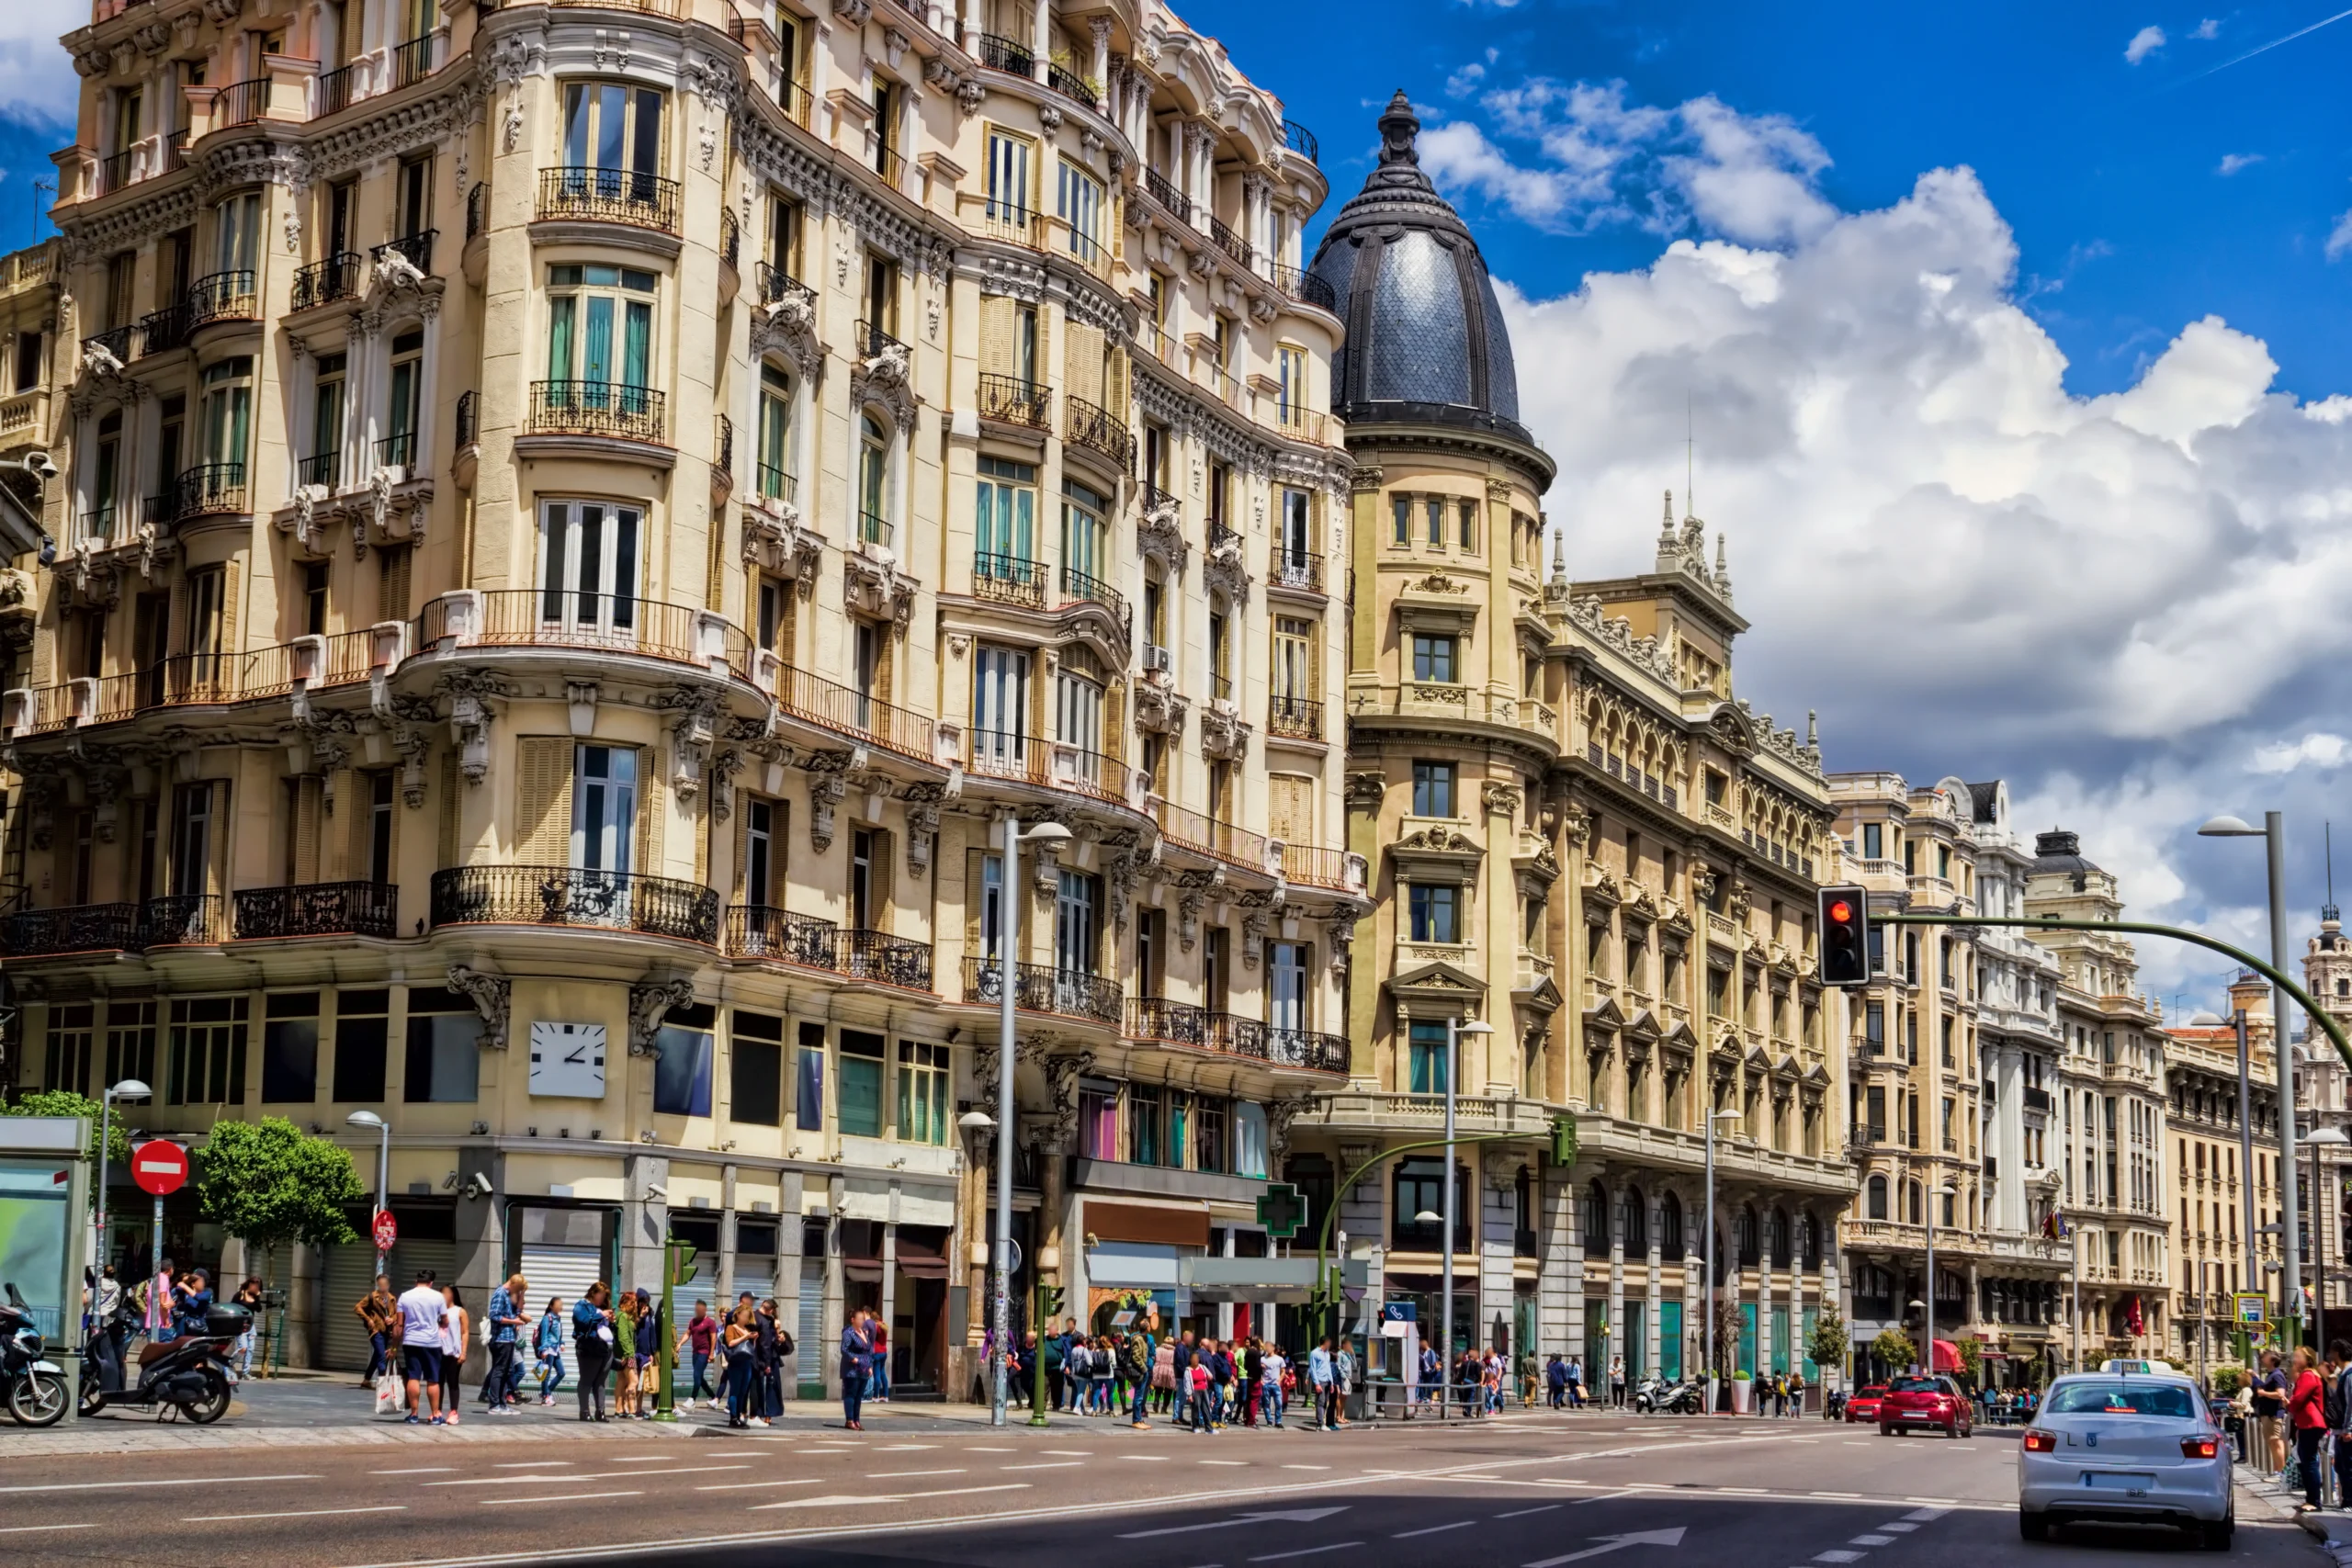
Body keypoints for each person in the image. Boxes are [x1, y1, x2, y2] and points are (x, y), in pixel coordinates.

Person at [395, 1268, 447, 1426]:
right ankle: (435, 1415)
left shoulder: (405, 1296)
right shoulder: (438, 1297)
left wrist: (393, 1346)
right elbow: (445, 1320)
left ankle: (414, 1414)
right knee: (433, 1380)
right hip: (431, 1342)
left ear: (416, 1281)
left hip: (411, 1341)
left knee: (413, 1377)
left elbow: (399, 1324)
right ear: (431, 1283)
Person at [2290, 1345, 2328, 1512]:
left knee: (2309, 1461)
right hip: (2308, 1422)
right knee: (2307, 1460)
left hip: (2311, 1422)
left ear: (2308, 1359)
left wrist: (2289, 1405)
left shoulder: (2308, 1375)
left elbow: (2298, 1399)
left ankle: (2314, 1501)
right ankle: (2311, 1499)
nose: (2295, 1360)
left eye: (2298, 1357)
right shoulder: (2311, 1375)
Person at [484, 1273, 526, 1412]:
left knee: (507, 1371)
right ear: (513, 1284)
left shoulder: (508, 1295)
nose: (517, 1292)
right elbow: (494, 1315)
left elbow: (518, 1311)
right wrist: (513, 1322)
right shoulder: (500, 1293)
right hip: (501, 1338)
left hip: (509, 1338)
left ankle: (502, 1404)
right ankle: (494, 1404)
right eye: (518, 1289)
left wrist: (522, 1294)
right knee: (499, 1371)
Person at [573, 1281, 615, 1422]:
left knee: (601, 1381)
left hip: (606, 1348)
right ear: (594, 1293)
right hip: (590, 1347)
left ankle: (600, 1411)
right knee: (587, 1380)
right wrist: (601, 1315)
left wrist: (611, 1321)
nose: (603, 1299)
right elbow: (584, 1322)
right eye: (602, 1295)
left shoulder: (600, 1308)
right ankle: (584, 1411)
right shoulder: (581, 1306)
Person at [356, 1275, 399, 1389]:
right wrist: (368, 1319)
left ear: (388, 1285)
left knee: (377, 1356)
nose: (382, 1286)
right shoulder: (372, 1297)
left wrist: (392, 1319)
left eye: (384, 1284)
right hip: (376, 1330)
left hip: (386, 1331)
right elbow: (358, 1307)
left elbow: (396, 1314)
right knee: (381, 1356)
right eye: (380, 1284)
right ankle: (383, 1383)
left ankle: (366, 1380)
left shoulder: (392, 1299)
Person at [724, 1304, 761, 1427]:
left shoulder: (747, 1329)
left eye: (748, 1316)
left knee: (743, 1392)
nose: (745, 1318)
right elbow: (730, 1343)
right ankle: (733, 1418)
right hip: (735, 1363)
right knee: (734, 1390)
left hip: (747, 1363)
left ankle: (739, 1415)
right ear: (738, 1315)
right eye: (744, 1315)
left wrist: (753, 1339)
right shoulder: (731, 1328)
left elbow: (751, 1349)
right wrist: (745, 1337)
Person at [438, 1284, 469, 1426]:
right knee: (437, 1383)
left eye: (446, 1293)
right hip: (438, 1351)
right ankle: (436, 1411)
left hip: (453, 1352)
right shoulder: (437, 1311)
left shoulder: (460, 1311)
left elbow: (465, 1332)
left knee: (453, 1383)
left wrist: (463, 1352)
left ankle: (453, 1411)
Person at [2256, 1350, 2290, 1477]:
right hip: (2268, 1414)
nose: (2262, 1358)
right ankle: (2277, 1470)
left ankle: (2281, 1472)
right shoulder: (2271, 1375)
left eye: (2265, 1356)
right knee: (2272, 1442)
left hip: (2274, 1414)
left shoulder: (2277, 1375)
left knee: (2276, 1441)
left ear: (2272, 1360)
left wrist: (2263, 1393)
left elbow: (2280, 1394)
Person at [680, 1301, 718, 1410]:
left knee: (696, 1375)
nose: (698, 1311)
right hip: (695, 1353)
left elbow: (713, 1338)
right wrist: (680, 1344)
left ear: (705, 1310)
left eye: (700, 1309)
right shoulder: (693, 1321)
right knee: (699, 1377)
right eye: (696, 1309)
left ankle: (692, 1399)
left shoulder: (710, 1322)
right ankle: (713, 1396)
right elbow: (688, 1333)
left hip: (704, 1353)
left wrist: (711, 1354)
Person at [842, 1306, 874, 1430]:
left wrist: (870, 1366)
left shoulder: (864, 1333)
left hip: (864, 1368)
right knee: (851, 1394)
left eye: (863, 1319)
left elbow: (869, 1351)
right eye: (859, 1319)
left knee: (859, 1396)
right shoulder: (848, 1332)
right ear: (853, 1319)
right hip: (852, 1369)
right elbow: (844, 1349)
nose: (861, 1321)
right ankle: (849, 1420)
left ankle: (857, 1420)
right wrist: (853, 1358)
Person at [534, 1297, 568, 1404]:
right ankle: (545, 1396)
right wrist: (543, 1350)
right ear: (551, 1306)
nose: (560, 1307)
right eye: (558, 1304)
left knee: (561, 1373)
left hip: (555, 1349)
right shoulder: (547, 1318)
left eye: (561, 1304)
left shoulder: (558, 1318)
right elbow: (544, 1336)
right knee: (546, 1374)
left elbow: (558, 1334)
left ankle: (546, 1391)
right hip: (548, 1349)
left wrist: (561, 1343)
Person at [230, 1278, 263, 1376]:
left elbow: (259, 1309)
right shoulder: (240, 1294)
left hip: (251, 1326)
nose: (255, 1286)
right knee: (243, 1348)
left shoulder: (255, 1297)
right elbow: (232, 1306)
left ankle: (246, 1372)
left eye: (257, 1285)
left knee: (250, 1349)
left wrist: (257, 1298)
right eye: (253, 1284)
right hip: (241, 1325)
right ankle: (228, 1364)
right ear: (248, 1284)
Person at [1308, 1335, 1336, 1431]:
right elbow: (1313, 1369)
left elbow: (1328, 1368)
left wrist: (1331, 1382)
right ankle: (1320, 1423)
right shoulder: (1314, 1353)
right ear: (1325, 1342)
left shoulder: (1327, 1353)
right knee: (1320, 1401)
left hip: (1327, 1380)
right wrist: (1316, 1383)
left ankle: (1321, 1422)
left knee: (1325, 1402)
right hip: (1320, 1380)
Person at [1263, 1343, 1287, 1428]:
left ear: (1273, 1348)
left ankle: (1278, 1421)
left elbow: (1283, 1370)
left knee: (1279, 1404)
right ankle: (1269, 1420)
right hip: (1266, 1384)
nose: (1267, 1349)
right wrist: (1261, 1381)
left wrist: (1280, 1380)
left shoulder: (1279, 1359)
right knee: (1266, 1404)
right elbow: (1258, 1370)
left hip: (1276, 1385)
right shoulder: (1262, 1359)